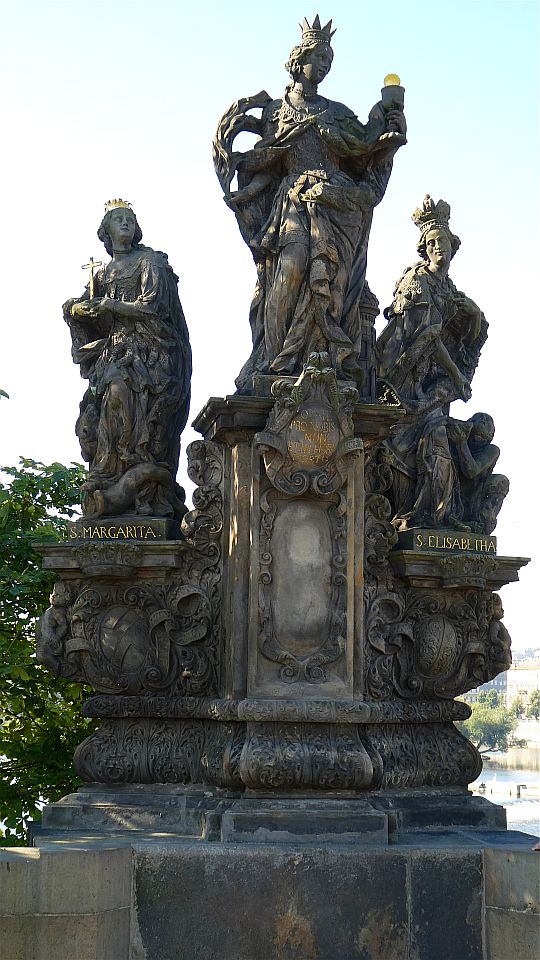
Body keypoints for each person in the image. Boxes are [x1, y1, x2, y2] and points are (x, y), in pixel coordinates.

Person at [214, 16, 406, 390]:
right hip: (293, 201)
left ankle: (331, 362)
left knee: (335, 281)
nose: (323, 66)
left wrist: (390, 121)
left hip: (335, 204)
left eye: (328, 61)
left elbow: (366, 150)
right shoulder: (276, 111)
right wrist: (245, 191)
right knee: (292, 267)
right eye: (318, 58)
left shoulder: (338, 112)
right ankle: (274, 361)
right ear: (299, 59)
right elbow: (268, 163)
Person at [64, 200, 191, 520]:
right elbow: (84, 306)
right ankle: (110, 471)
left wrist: (111, 306)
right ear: (106, 231)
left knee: (122, 392)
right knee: (108, 399)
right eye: (118, 219)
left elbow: (154, 307)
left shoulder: (150, 262)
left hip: (153, 350)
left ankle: (139, 468)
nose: (125, 223)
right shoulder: (101, 273)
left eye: (129, 219)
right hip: (118, 350)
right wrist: (77, 308)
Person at [376, 196, 487, 530]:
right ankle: (415, 516)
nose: (439, 247)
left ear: (453, 247)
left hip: (430, 381)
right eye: (433, 242)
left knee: (437, 437)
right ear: (424, 248)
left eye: (444, 242)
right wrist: (456, 377)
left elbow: (464, 336)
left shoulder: (448, 289)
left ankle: (435, 517)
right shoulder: (417, 282)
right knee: (402, 444)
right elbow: (428, 336)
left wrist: (474, 316)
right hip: (402, 381)